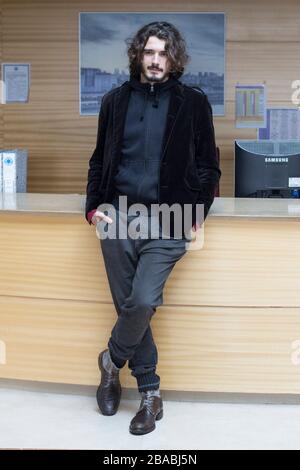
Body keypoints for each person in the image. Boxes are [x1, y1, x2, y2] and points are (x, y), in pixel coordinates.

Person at [85, 21, 221, 435]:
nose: (156, 60)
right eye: (149, 52)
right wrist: (94, 209)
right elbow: (98, 162)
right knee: (128, 302)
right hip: (118, 216)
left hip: (171, 220)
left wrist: (196, 212)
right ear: (138, 55)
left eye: (163, 53)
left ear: (173, 57)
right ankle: (150, 393)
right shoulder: (114, 100)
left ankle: (111, 361)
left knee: (142, 300)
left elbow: (209, 167)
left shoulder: (193, 103)